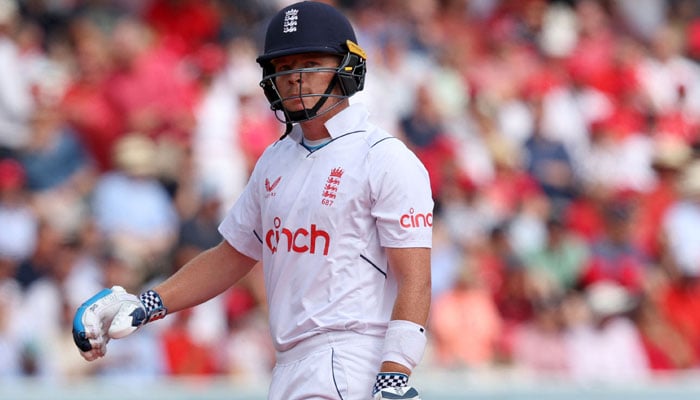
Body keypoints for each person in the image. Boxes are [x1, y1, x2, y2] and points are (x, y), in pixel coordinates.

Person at [71, 2, 433, 400]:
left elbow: (414, 275)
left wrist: (395, 372)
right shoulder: (274, 159)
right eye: (284, 67)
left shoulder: (383, 156)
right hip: (288, 364)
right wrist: (147, 304)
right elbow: (232, 255)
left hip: (355, 359)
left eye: (311, 63)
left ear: (348, 66)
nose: (295, 78)